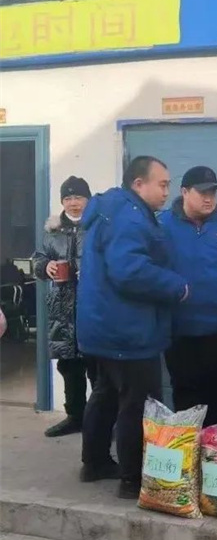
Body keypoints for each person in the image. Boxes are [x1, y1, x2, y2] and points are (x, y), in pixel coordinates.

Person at [77, 156, 189, 499]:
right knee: (137, 404)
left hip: (104, 326)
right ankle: (133, 479)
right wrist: (176, 286)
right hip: (128, 330)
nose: (167, 191)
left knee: (106, 394)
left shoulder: (114, 209)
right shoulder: (129, 216)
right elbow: (129, 271)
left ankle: (94, 463)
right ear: (139, 184)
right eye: (162, 184)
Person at [159, 166, 217, 427]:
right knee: (184, 390)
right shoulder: (162, 225)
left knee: (216, 392)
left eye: (213, 193)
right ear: (184, 192)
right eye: (202, 193)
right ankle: (188, 444)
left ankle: (213, 446)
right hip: (178, 326)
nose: (209, 199)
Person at [32, 176, 96, 437]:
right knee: (69, 366)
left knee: (98, 368)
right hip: (62, 308)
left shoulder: (97, 227)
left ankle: (101, 421)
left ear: (88, 199)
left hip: (92, 305)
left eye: (78, 197)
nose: (73, 203)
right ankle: (75, 417)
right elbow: (38, 259)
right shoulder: (52, 231)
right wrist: (44, 266)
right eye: (68, 198)